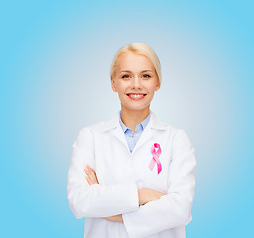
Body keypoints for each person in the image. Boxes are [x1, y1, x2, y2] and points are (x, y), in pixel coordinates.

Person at [67, 42, 196, 238]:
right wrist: (142, 195)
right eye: (126, 76)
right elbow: (79, 201)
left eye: (146, 75)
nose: (136, 84)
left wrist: (108, 209)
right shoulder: (90, 137)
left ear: (157, 82)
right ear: (113, 83)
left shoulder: (177, 140)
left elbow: (180, 210)